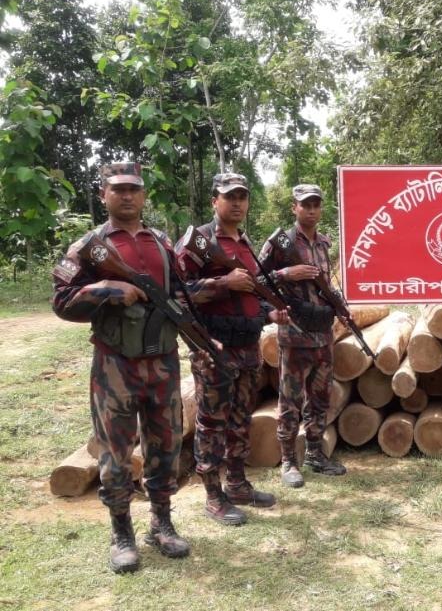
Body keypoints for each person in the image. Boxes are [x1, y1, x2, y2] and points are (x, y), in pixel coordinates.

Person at [53, 162, 192, 573]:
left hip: (163, 363)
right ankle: (121, 532)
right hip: (115, 364)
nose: (127, 195)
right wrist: (105, 289)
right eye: (118, 189)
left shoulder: (163, 243)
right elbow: (61, 301)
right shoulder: (89, 247)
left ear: (144, 195)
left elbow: (181, 293)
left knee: (166, 445)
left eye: (134, 189)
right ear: (103, 195)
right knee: (115, 453)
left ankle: (161, 522)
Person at [175, 173, 286, 525]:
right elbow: (178, 293)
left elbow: (248, 295)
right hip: (215, 347)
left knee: (240, 421)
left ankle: (237, 484)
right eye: (229, 196)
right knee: (211, 423)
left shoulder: (244, 242)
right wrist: (223, 282)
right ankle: (213, 496)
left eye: (242, 196)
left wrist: (271, 312)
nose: (237, 202)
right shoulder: (198, 243)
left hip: (248, 345)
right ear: (214, 201)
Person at [258, 183, 346, 488]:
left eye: (315, 205)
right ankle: (288, 461)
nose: (310, 210)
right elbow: (257, 279)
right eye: (304, 205)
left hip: (323, 334)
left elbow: (326, 283)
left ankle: (315, 455)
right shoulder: (280, 242)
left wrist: (340, 306)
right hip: (294, 335)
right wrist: (286, 274)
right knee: (290, 400)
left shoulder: (323, 243)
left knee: (320, 398)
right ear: (294, 208)